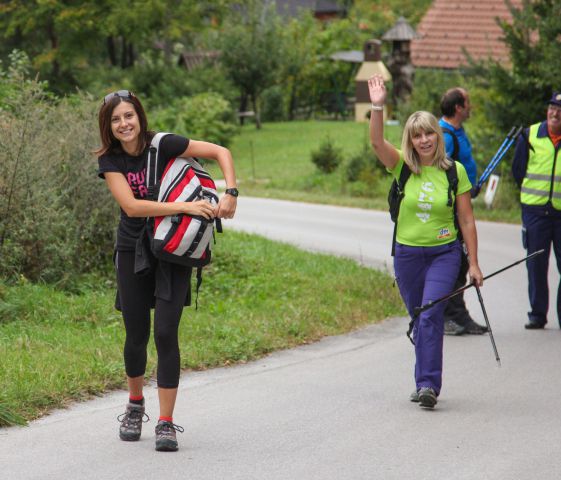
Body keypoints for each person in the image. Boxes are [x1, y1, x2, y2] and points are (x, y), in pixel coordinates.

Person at [96, 90, 238, 451]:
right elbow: (131, 206)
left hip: (173, 247)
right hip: (133, 250)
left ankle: (166, 422)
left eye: (129, 116)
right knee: (136, 334)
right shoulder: (110, 160)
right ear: (108, 128)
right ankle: (134, 404)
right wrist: (185, 206)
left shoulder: (165, 144)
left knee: (165, 332)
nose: (124, 124)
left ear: (139, 116)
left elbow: (221, 152)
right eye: (115, 120)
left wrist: (231, 191)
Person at [368, 75, 483, 408]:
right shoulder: (402, 166)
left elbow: (466, 220)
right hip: (407, 256)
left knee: (431, 314)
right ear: (410, 140)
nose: (424, 140)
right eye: (417, 135)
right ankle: (423, 378)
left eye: (429, 133)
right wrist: (378, 105)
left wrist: (473, 263)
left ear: (438, 135)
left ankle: (428, 385)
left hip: (443, 255)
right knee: (420, 317)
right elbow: (376, 143)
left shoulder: (454, 171)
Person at [439, 88, 488, 336]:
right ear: (458, 107)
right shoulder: (445, 136)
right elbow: (439, 174)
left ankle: (459, 316)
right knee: (456, 263)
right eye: (467, 103)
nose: (470, 107)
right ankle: (451, 317)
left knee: (459, 263)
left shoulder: (456, 131)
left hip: (463, 200)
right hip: (452, 211)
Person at [512, 92, 561, 330]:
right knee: (536, 265)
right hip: (535, 213)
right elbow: (517, 171)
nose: (555, 113)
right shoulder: (530, 135)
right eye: (552, 107)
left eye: (560, 109)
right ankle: (537, 314)